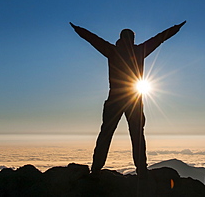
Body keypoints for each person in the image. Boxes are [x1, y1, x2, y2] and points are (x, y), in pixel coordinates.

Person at [70, 20, 186, 178]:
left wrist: (78, 29)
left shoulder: (112, 50)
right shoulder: (139, 51)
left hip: (116, 97)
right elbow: (160, 38)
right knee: (137, 134)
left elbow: (93, 39)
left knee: (106, 133)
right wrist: (176, 28)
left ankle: (96, 169)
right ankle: (142, 170)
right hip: (134, 97)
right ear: (132, 39)